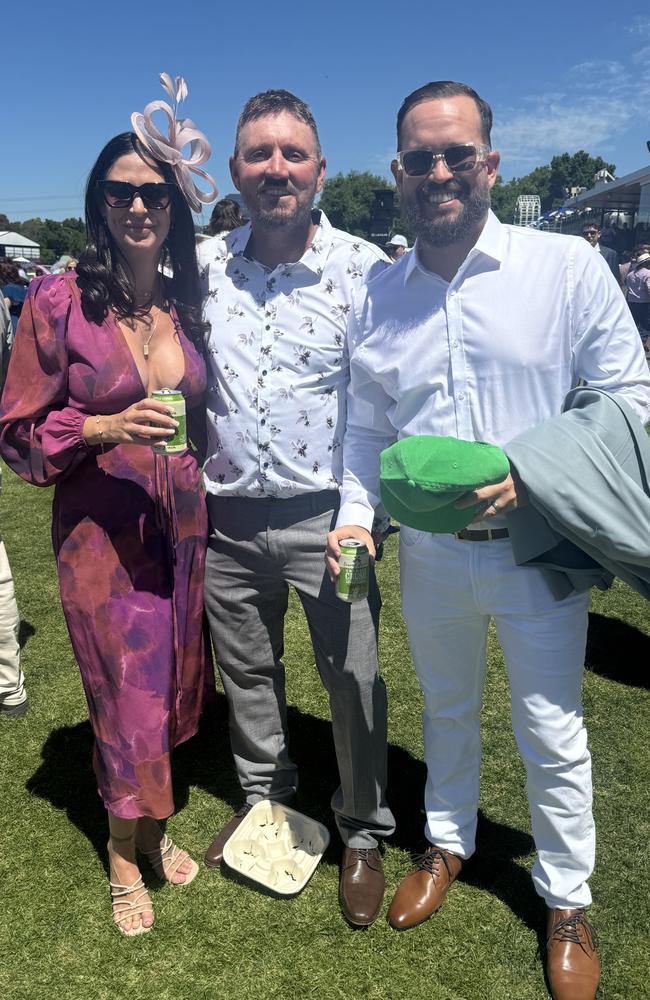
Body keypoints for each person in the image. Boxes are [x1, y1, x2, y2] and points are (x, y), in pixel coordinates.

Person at [326, 80, 650, 997]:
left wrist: (534, 470)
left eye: (456, 155)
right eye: (421, 158)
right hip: (431, 554)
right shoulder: (378, 294)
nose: (439, 172)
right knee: (447, 708)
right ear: (398, 172)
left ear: (489, 164)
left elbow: (631, 396)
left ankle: (567, 897)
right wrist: (357, 517)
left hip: (540, 546)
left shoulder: (565, 268)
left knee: (551, 726)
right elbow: (364, 430)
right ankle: (449, 842)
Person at [0, 73, 218, 936]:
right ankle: (124, 857)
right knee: (125, 695)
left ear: (172, 207)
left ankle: (155, 821)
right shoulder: (59, 301)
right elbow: (16, 429)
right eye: (122, 192)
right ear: (99, 203)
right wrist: (101, 425)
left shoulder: (181, 301)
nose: (138, 206)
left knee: (169, 687)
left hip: (183, 530)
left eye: (154, 193)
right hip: (101, 539)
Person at [197, 88, 396, 927]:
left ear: (320, 169)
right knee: (246, 672)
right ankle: (267, 797)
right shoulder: (202, 267)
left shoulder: (364, 272)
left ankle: (362, 826)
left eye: (292, 154)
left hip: (330, 517)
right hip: (228, 520)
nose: (275, 169)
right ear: (237, 170)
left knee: (351, 674)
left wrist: (362, 512)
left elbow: (382, 407)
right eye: (258, 154)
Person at [625, 249, 650, 354]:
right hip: (644, 303)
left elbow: (627, 287)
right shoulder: (648, 273)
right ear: (646, 262)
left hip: (632, 302)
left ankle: (634, 342)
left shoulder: (630, 274)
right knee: (645, 324)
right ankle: (641, 342)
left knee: (635, 323)